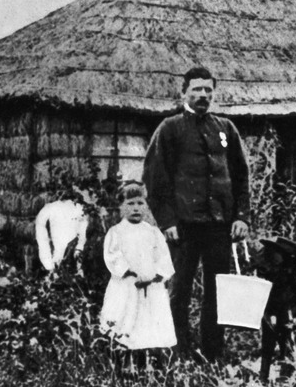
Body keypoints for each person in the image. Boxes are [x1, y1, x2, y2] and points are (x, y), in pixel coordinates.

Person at [142, 67, 251, 361]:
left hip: (219, 226)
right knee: (180, 289)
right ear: (184, 92)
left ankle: (212, 352)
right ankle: (178, 350)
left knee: (218, 291)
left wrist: (241, 216)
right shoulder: (170, 128)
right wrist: (167, 222)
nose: (203, 95)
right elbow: (155, 180)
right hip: (183, 227)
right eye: (197, 89)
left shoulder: (225, 128)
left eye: (208, 90)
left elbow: (241, 175)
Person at [99, 182, 176, 354]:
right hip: (127, 285)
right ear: (121, 206)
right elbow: (113, 255)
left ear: (147, 206)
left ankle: (151, 358)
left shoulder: (153, 232)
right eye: (130, 204)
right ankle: (124, 358)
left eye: (140, 203)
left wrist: (155, 275)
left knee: (150, 323)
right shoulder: (116, 232)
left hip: (151, 286)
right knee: (125, 320)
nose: (136, 208)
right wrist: (130, 273)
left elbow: (163, 258)